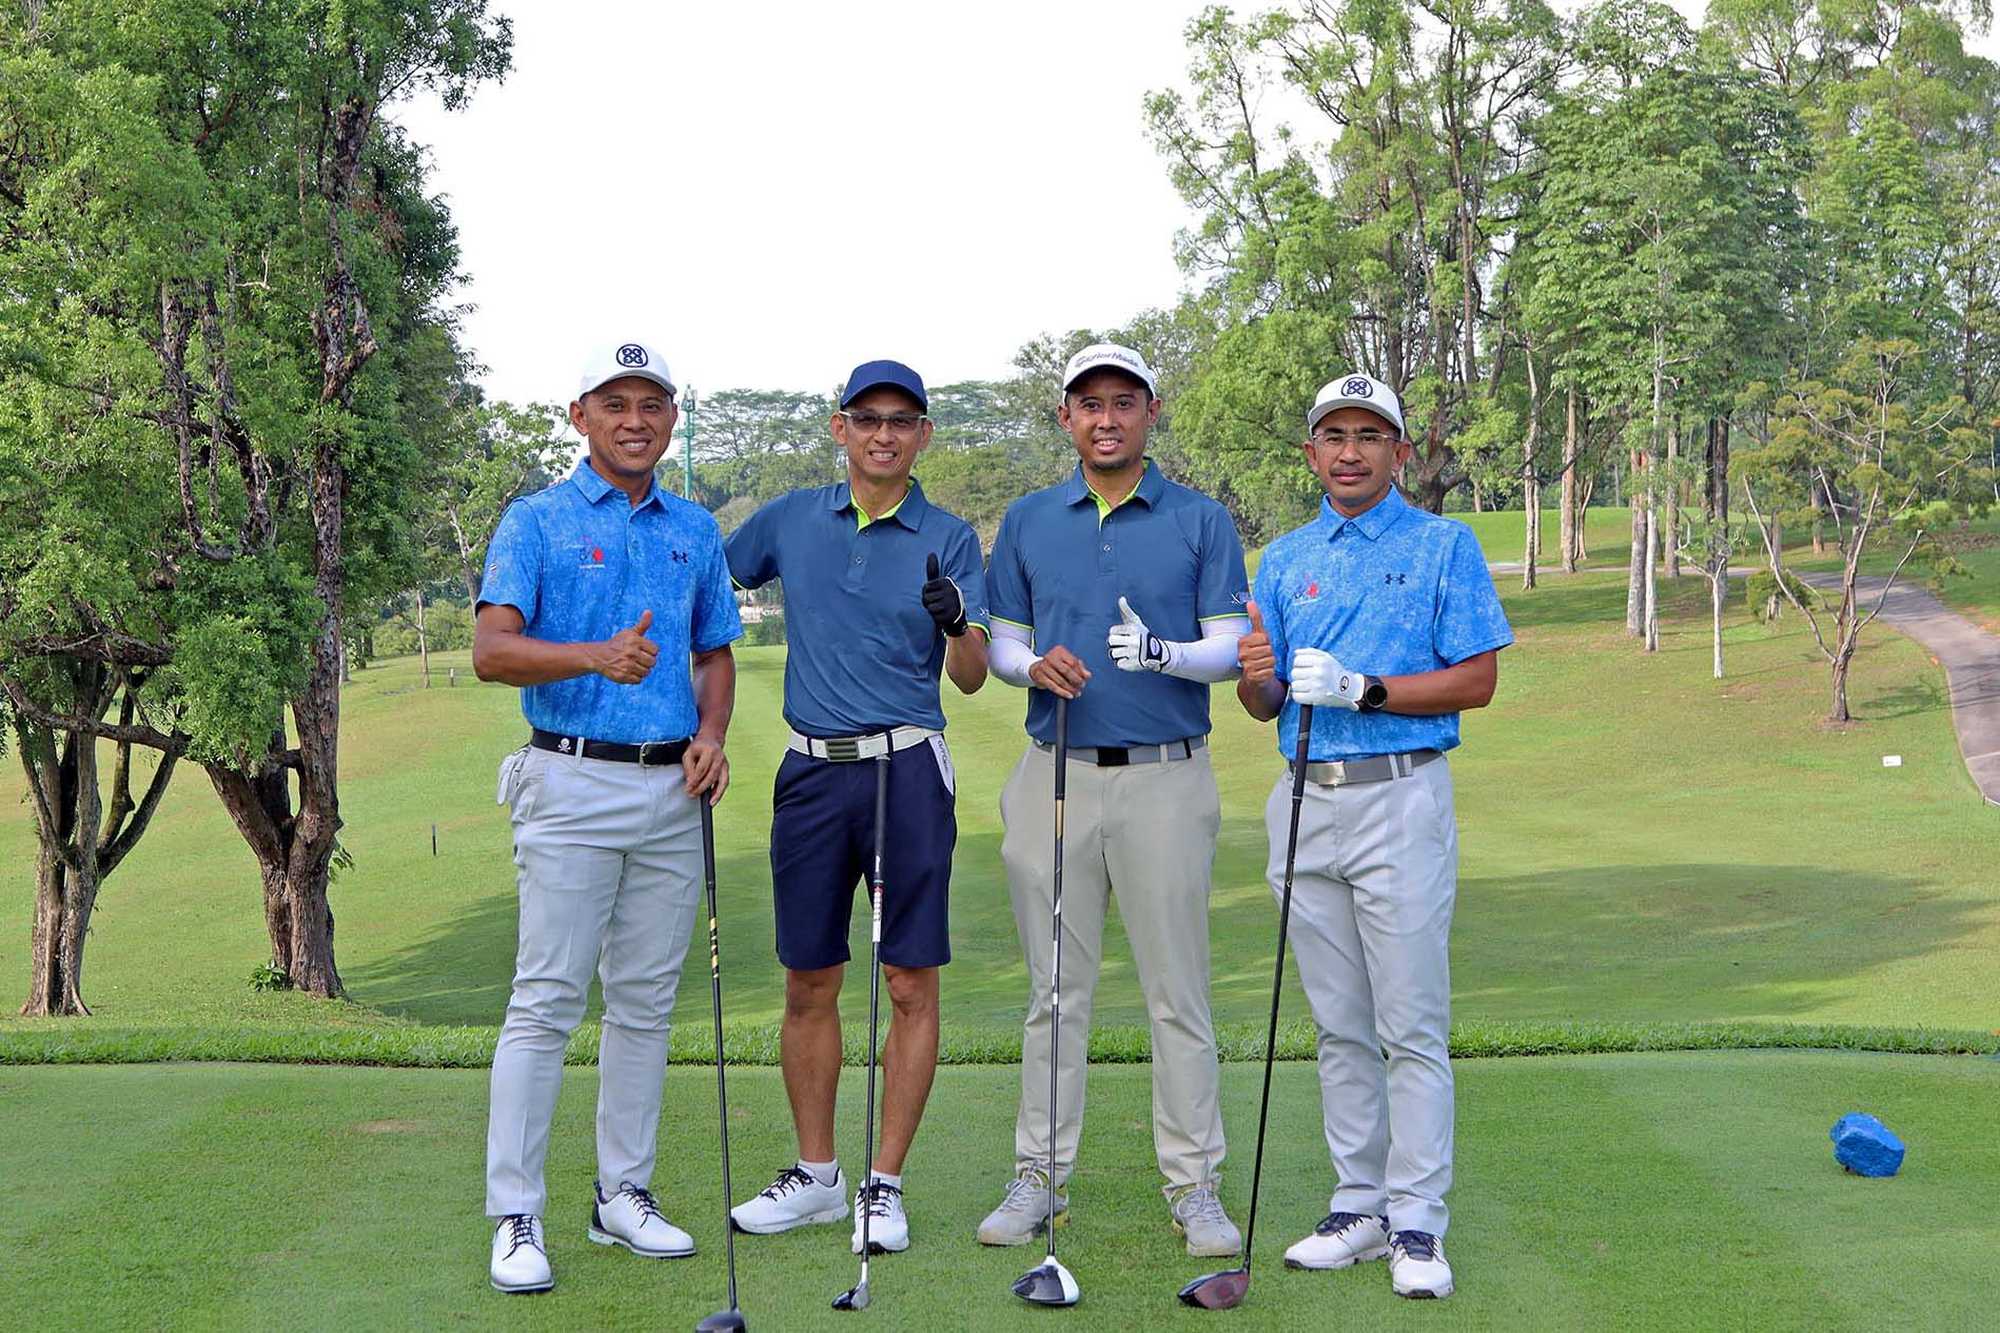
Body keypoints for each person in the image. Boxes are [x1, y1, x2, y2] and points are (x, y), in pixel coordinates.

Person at [1235, 372, 1512, 1300]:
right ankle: (1359, 1203)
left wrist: (1365, 688)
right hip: (1306, 796)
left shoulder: (1443, 544)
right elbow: (1262, 699)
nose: (1349, 450)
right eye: (1332, 435)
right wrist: (1259, 675)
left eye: (1369, 434)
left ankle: (1419, 1220)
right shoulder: (1283, 556)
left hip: (1401, 796)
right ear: (1311, 453)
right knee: (1340, 1022)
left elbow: (1477, 680)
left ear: (1398, 451)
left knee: (1411, 1024)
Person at [474, 339, 742, 1295]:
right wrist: (594, 656)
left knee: (644, 1004)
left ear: (673, 419)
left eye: (654, 404)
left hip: (673, 787)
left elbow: (714, 651)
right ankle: (515, 1213)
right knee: (546, 1000)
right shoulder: (535, 519)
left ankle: (622, 1193)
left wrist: (712, 730)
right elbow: (492, 651)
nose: (637, 420)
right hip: (571, 780)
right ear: (580, 414)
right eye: (616, 402)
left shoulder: (695, 528)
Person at [978, 343, 1251, 1258]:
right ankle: (1038, 1178)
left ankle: (1195, 1185)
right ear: (1065, 418)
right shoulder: (1027, 520)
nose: (1106, 417)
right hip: (1054, 772)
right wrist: (1033, 664)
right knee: (1055, 994)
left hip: (1168, 774)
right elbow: (1004, 645)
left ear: (1151, 410)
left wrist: (1163, 653)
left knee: (1178, 992)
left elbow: (1227, 644)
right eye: (1088, 402)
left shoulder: (1200, 519)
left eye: (1123, 401)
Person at [723, 359, 989, 1257]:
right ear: (840, 427)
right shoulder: (794, 518)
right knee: (808, 979)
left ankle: (885, 1183)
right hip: (808, 773)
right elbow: (707, 578)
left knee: (909, 982)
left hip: (905, 770)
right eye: (867, 418)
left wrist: (956, 621)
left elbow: (972, 675)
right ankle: (818, 1176)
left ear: (922, 436)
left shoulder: (948, 536)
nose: (884, 434)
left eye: (902, 421)